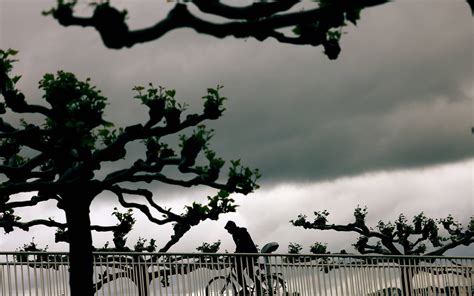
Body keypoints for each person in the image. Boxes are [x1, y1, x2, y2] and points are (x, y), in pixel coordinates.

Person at [225, 220, 260, 295]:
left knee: (248, 272)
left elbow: (244, 245)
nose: (228, 231)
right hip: (244, 255)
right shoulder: (234, 235)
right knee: (239, 272)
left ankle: (256, 288)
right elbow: (238, 247)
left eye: (228, 229)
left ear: (232, 227)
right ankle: (245, 290)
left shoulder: (242, 232)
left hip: (251, 254)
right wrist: (235, 254)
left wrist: (237, 253)